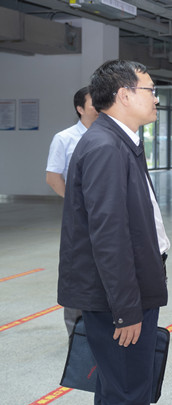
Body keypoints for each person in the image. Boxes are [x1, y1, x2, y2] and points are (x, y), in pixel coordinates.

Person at [57, 60, 170, 405]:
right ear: (124, 95)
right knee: (128, 397)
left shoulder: (121, 141)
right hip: (118, 300)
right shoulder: (106, 147)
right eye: (150, 90)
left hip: (127, 292)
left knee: (115, 391)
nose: (156, 98)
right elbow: (109, 236)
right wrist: (126, 310)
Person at [45, 86, 99, 336]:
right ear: (80, 108)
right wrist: (74, 203)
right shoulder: (64, 138)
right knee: (79, 272)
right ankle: (77, 336)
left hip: (105, 214)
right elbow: (53, 176)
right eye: (93, 103)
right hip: (79, 216)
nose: (99, 106)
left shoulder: (108, 135)